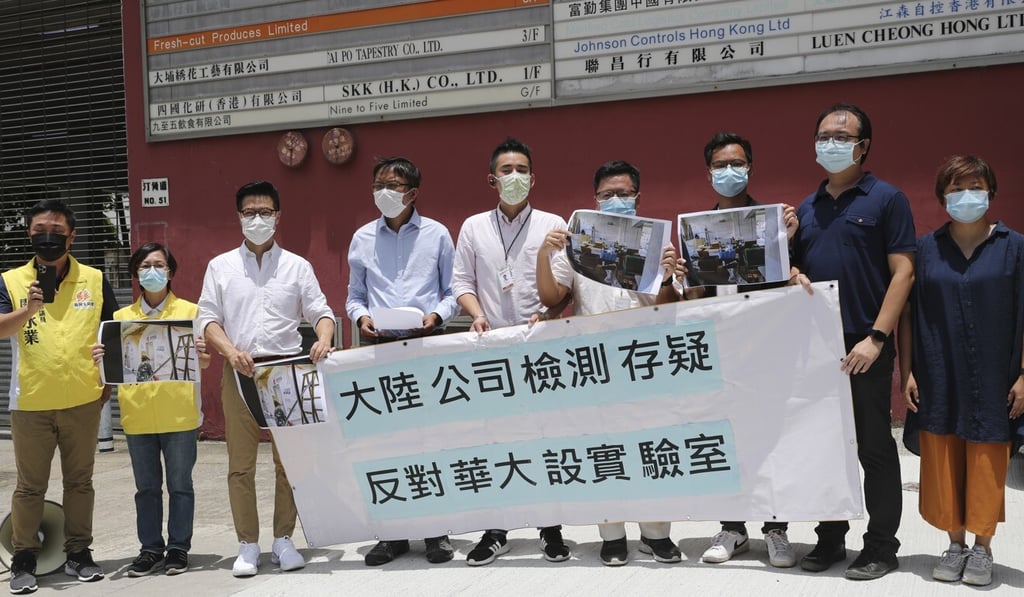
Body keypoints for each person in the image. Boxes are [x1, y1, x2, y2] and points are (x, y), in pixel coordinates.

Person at [789, 103, 915, 580]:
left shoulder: (887, 199)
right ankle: (829, 540)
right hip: (816, 347)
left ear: (863, 146)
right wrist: (795, 269)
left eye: (842, 136)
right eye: (823, 135)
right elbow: (795, 269)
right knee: (825, 445)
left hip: (865, 344)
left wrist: (877, 339)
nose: (831, 143)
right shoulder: (807, 207)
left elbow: (903, 272)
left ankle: (882, 545)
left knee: (873, 447)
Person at [535, 160, 682, 566]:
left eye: (624, 193)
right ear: (594, 199)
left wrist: (668, 277)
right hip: (595, 365)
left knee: (652, 449)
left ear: (638, 196)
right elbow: (552, 298)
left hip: (645, 362)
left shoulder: (658, 242)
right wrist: (543, 256)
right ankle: (612, 534)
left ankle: (656, 534)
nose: (616, 200)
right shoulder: (577, 242)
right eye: (607, 194)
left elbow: (673, 307)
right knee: (606, 452)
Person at [197, 181, 336, 577]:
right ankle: (247, 545)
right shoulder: (220, 266)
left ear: (278, 216)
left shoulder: (296, 266)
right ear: (238, 217)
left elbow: (320, 311)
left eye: (265, 212)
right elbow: (207, 318)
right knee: (240, 464)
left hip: (286, 373)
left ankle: (284, 539)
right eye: (249, 213)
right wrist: (228, 351)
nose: (257, 219)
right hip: (239, 371)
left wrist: (324, 338)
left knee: (288, 463)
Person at [898, 155, 1024, 587]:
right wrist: (910, 370)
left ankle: (983, 548)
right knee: (944, 457)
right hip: (938, 371)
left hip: (994, 375)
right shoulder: (927, 248)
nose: (966, 195)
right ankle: (954, 545)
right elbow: (911, 314)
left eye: (975, 186)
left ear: (990, 191)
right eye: (956, 188)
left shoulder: (1015, 246)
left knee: (987, 460)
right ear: (942, 196)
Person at [451, 137, 571, 566]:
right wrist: (477, 314)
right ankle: (496, 528)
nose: (514, 177)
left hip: (538, 347)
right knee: (494, 440)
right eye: (506, 170)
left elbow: (563, 287)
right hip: (491, 349)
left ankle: (550, 527)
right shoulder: (472, 227)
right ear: (492, 179)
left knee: (543, 436)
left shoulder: (552, 224)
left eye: (522, 169)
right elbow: (461, 282)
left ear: (533, 178)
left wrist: (550, 313)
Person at [0, 200, 118, 594]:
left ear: (72, 235)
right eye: (38, 230)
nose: (46, 238)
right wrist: (29, 310)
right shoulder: (11, 281)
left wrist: (109, 382)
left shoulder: (96, 279)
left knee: (79, 482)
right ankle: (24, 558)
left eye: (54, 231)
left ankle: (79, 554)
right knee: (30, 487)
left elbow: (114, 334)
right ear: (30, 234)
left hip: (83, 400)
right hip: (31, 402)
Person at [345, 157, 459, 565]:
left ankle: (435, 533)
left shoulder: (437, 234)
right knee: (385, 444)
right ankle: (392, 533)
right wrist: (362, 318)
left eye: (392, 186)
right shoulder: (361, 238)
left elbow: (452, 290)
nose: (384, 193)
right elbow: (354, 296)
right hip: (380, 349)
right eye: (378, 185)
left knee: (430, 441)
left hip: (426, 345)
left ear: (412, 192)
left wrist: (437, 316)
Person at [694, 133, 798, 568]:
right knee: (725, 438)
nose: (728, 171)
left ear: (750, 167)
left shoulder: (774, 220)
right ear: (709, 172)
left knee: (771, 437)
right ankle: (732, 528)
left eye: (737, 163)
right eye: (720, 164)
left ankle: (776, 529)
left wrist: (788, 240)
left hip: (766, 347)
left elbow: (792, 279)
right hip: (719, 349)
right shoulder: (695, 228)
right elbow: (694, 292)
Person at [90, 243, 210, 577]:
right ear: (136, 273)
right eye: (145, 265)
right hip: (138, 415)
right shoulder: (120, 319)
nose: (152, 271)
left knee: (180, 485)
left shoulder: (190, 312)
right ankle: (149, 549)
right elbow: (113, 372)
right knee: (146, 488)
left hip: (180, 413)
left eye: (159, 264)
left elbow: (203, 362)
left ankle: (178, 548)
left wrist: (201, 355)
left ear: (171, 271)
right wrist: (102, 359)